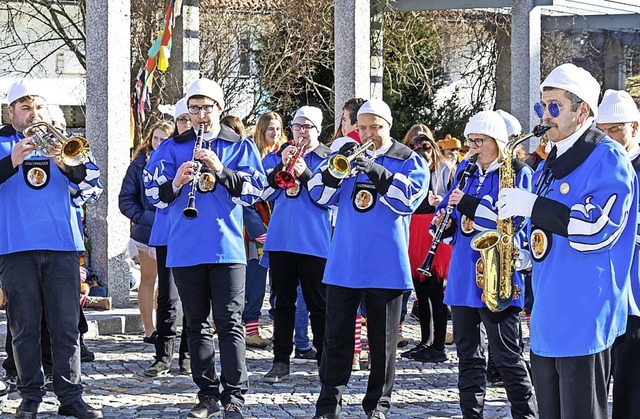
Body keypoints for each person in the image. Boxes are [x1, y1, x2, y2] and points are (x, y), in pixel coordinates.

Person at [498, 63, 637, 419]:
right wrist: (522, 252)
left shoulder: (609, 157)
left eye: (555, 107)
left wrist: (532, 204)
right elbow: (544, 231)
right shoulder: (550, 161)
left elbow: (596, 228)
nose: (545, 116)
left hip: (584, 313)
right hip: (548, 311)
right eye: (541, 107)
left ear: (582, 111)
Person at [144, 78, 266, 419]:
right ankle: (207, 394)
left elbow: (255, 193)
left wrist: (220, 170)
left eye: (206, 108)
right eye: (194, 109)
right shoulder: (170, 147)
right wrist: (176, 181)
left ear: (219, 109)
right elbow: (154, 195)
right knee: (195, 324)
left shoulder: (239, 145)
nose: (200, 115)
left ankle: (234, 396)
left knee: (229, 323)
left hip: (227, 249)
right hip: (185, 248)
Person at [308, 99, 429, 419]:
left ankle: (377, 405)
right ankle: (328, 404)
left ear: (388, 127)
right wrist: (336, 172)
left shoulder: (408, 159)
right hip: (344, 264)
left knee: (383, 344)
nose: (367, 134)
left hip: (386, 266)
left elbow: (408, 201)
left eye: (375, 127)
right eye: (362, 128)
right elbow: (318, 196)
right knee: (335, 339)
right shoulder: (345, 154)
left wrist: (375, 170)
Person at [0, 79, 102, 418]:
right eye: (26, 108)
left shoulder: (65, 144)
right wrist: (11, 161)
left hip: (62, 247)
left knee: (66, 325)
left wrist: (68, 166)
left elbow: (93, 188)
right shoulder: (1, 142)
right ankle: (30, 394)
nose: (33, 114)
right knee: (24, 326)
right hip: (16, 247)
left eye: (38, 107)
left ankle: (70, 396)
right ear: (11, 111)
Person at [434, 110, 535, 419]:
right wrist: (443, 221)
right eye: (471, 140)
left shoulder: (517, 171)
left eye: (480, 141)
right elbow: (449, 207)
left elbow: (512, 219)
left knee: (507, 356)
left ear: (498, 142)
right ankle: (471, 415)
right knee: (467, 356)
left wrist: (466, 203)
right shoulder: (465, 169)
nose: (473, 146)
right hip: (465, 271)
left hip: (498, 271)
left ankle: (526, 415)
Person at [260, 105, 331, 383]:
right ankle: (280, 361)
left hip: (314, 242)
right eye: (297, 126)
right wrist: (282, 165)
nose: (301, 132)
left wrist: (304, 174)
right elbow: (264, 193)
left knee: (319, 304)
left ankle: (326, 358)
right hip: (281, 241)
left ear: (317, 130)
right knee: (282, 304)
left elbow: (325, 197)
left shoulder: (327, 158)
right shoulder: (278, 156)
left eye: (307, 127)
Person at [595, 89, 640, 419]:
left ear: (635, 128)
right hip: (598, 287)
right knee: (594, 382)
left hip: (635, 289)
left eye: (616, 130)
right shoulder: (597, 164)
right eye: (603, 130)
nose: (608, 137)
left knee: (631, 382)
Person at [144, 98, 191, 377]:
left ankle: (188, 355)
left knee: (193, 298)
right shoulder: (166, 148)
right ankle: (163, 355)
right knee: (168, 296)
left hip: (195, 231)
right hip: (167, 230)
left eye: (190, 118)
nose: (187, 124)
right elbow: (152, 188)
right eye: (182, 119)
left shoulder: (206, 146)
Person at [401, 127, 453, 363]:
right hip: (415, 228)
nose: (422, 152)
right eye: (416, 148)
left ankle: (439, 345)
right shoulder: (408, 167)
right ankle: (424, 342)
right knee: (420, 293)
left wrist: (439, 201)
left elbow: (454, 196)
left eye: (426, 148)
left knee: (435, 290)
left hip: (434, 230)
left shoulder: (444, 170)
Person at [119, 120, 174, 345]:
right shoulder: (139, 164)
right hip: (147, 231)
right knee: (149, 278)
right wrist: (143, 218)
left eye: (164, 138)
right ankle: (149, 330)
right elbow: (126, 199)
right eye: (155, 137)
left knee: (171, 286)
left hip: (174, 231)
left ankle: (169, 327)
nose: (159, 142)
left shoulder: (177, 161)